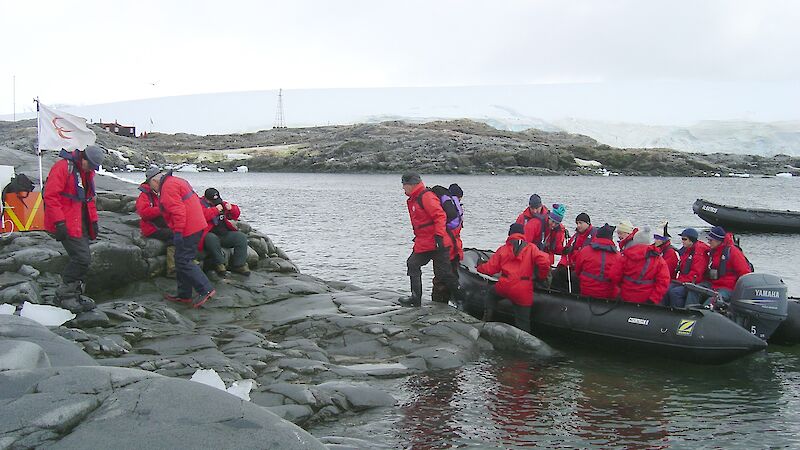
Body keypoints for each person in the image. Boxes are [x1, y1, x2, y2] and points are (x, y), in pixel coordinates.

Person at [44, 145, 105, 313]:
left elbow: (89, 199)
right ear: (83, 158)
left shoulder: (86, 172)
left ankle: (75, 294)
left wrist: (93, 222)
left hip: (80, 222)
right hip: (67, 222)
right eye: (91, 165)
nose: (92, 169)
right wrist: (59, 223)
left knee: (83, 258)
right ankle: (64, 295)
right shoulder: (63, 167)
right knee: (81, 258)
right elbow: (50, 196)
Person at [146, 170, 216, 308]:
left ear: (154, 181)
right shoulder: (177, 180)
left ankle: (206, 289)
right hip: (197, 224)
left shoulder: (167, 188)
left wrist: (178, 233)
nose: (152, 189)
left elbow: (178, 212)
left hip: (189, 228)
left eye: (150, 185)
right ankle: (184, 295)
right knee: (180, 260)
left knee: (184, 260)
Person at [399, 173, 464, 307]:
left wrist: (439, 237)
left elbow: (439, 216)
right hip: (425, 242)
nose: (403, 188)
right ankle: (415, 299)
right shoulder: (415, 198)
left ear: (411, 185)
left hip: (437, 243)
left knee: (444, 275)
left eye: (404, 185)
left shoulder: (426, 196)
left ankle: (462, 299)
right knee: (413, 264)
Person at [477, 223, 551, 333]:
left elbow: (490, 269)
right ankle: (525, 341)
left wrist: (479, 267)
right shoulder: (531, 248)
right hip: (523, 289)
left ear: (510, 234)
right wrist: (541, 276)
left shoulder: (504, 249)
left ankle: (487, 320)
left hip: (505, 285)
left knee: (491, 294)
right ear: (522, 234)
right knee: (523, 322)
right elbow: (544, 261)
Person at [609, 226, 671, 304]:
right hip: (647, 299)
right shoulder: (658, 260)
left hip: (625, 296)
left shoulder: (625, 257)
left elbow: (614, 275)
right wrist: (653, 299)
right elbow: (663, 282)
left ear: (635, 241)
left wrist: (618, 291)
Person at [200, 188, 251, 276]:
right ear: (207, 199)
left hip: (224, 234)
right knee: (211, 238)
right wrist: (215, 210)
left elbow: (235, 215)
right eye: (213, 201)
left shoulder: (220, 204)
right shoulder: (200, 204)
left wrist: (231, 208)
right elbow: (202, 216)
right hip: (209, 234)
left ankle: (239, 265)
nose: (216, 203)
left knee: (241, 237)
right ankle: (220, 264)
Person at [135, 167, 175, 277]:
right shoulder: (144, 195)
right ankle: (172, 268)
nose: (161, 184)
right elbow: (144, 213)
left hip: (162, 225)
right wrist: (162, 209)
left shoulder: (159, 192)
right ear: (152, 181)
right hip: (151, 228)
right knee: (174, 235)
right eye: (159, 181)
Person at [701, 226, 752, 305]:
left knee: (711, 301)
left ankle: (702, 313)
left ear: (719, 240)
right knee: (693, 291)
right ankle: (687, 312)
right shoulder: (712, 252)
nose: (708, 242)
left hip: (727, 287)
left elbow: (744, 272)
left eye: (711, 240)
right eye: (708, 240)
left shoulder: (732, 252)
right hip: (713, 285)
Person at [431, 183, 464, 303]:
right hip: (455, 247)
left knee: (440, 278)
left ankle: (439, 303)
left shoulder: (445, 208)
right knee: (451, 275)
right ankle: (455, 300)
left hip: (446, 246)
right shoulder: (456, 210)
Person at [665, 228, 710, 308]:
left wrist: (681, 281)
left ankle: (679, 312)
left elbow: (696, 275)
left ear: (691, 240)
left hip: (692, 283)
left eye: (684, 239)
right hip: (683, 280)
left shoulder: (698, 254)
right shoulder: (687, 250)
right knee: (665, 288)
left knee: (675, 292)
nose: (682, 241)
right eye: (682, 239)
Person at [573, 223, 621, 299]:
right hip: (608, 295)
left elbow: (578, 271)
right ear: (611, 238)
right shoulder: (618, 256)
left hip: (587, 291)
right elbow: (618, 278)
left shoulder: (585, 251)